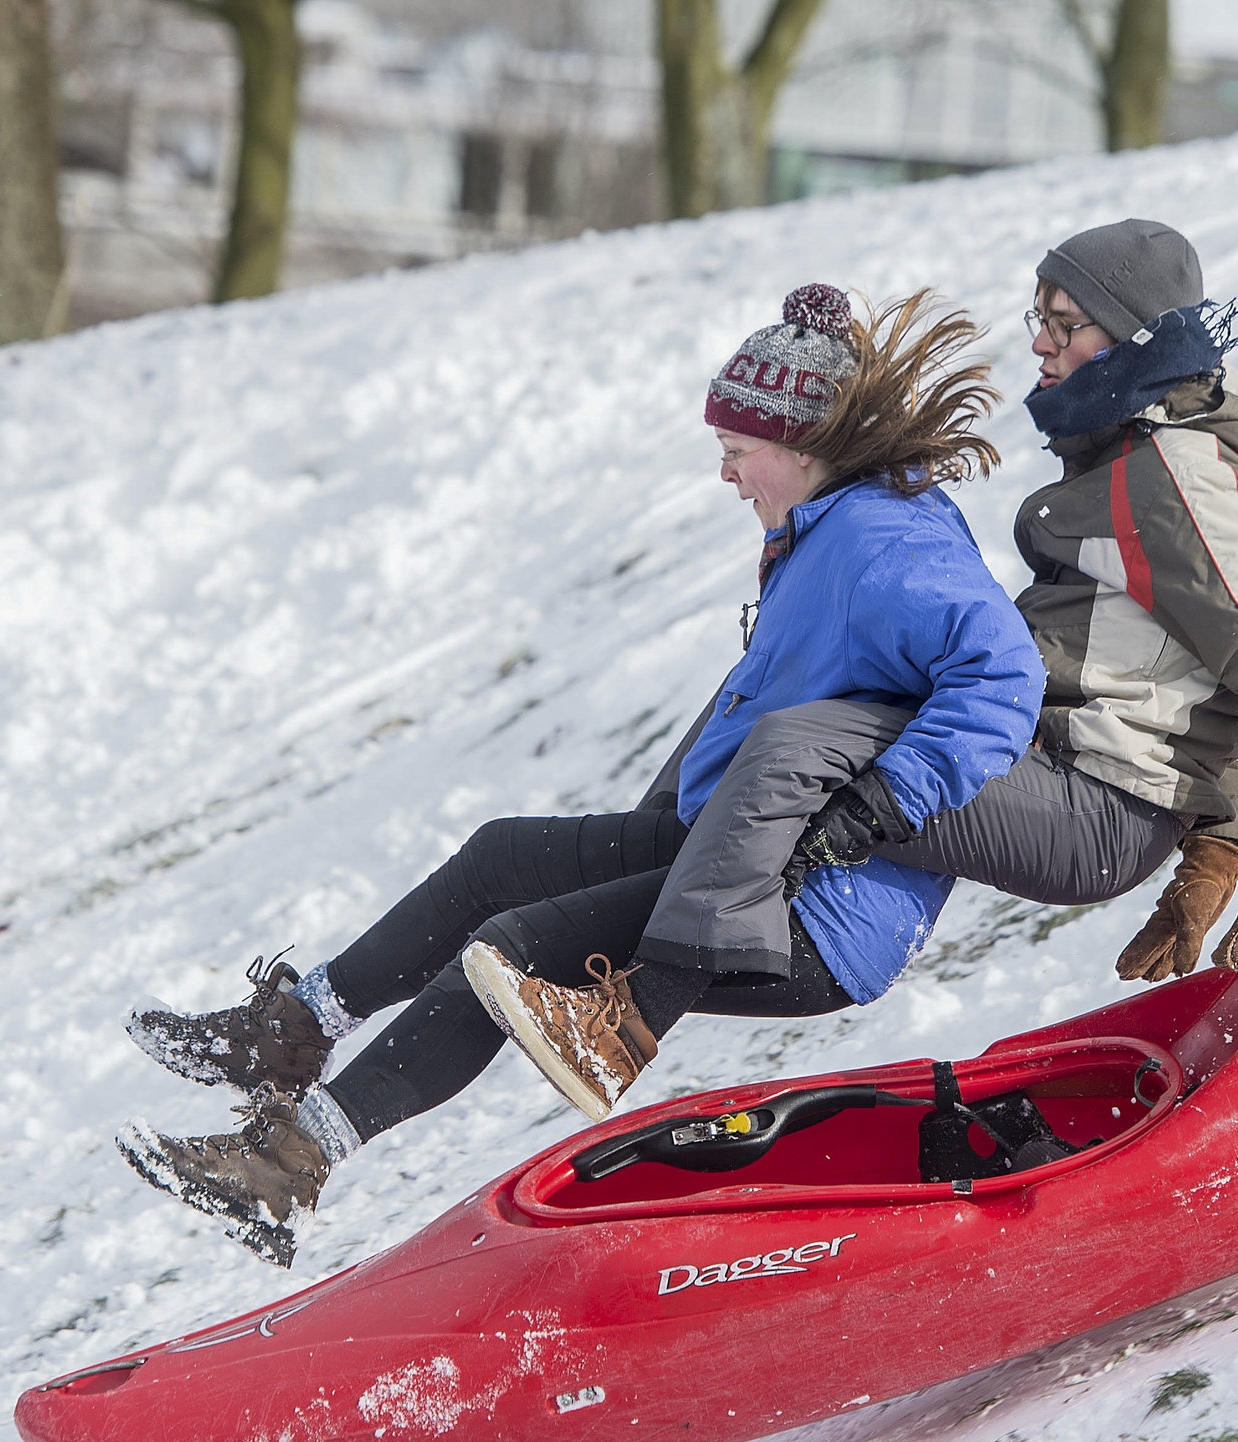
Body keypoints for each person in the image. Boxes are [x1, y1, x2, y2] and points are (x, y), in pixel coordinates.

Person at [119, 284, 1042, 1266]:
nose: (726, 476)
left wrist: (882, 804)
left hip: (813, 908)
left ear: (802, 445)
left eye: (737, 452)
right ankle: (294, 1030)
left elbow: (1002, 674)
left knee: (508, 952)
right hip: (738, 844)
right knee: (500, 859)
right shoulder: (833, 522)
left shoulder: (878, 541)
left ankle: (286, 1167)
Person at [750, 219, 1238, 987]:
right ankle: (725, 931)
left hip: (1094, 800)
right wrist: (1220, 844)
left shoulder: (1175, 478)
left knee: (814, 744)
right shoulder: (1131, 453)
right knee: (831, 713)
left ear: (1130, 339)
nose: (1040, 344)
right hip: (1070, 775)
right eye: (1036, 318)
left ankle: (706, 961)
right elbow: (1218, 665)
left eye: (1064, 324)